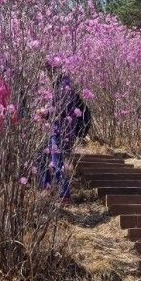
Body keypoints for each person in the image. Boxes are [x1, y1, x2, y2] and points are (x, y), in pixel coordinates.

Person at [42, 62, 90, 201]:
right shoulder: (62, 84)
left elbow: (60, 110)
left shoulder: (63, 86)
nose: (47, 74)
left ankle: (65, 194)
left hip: (60, 129)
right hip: (60, 128)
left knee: (57, 161)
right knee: (43, 156)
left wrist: (45, 113)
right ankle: (47, 187)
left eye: (48, 70)